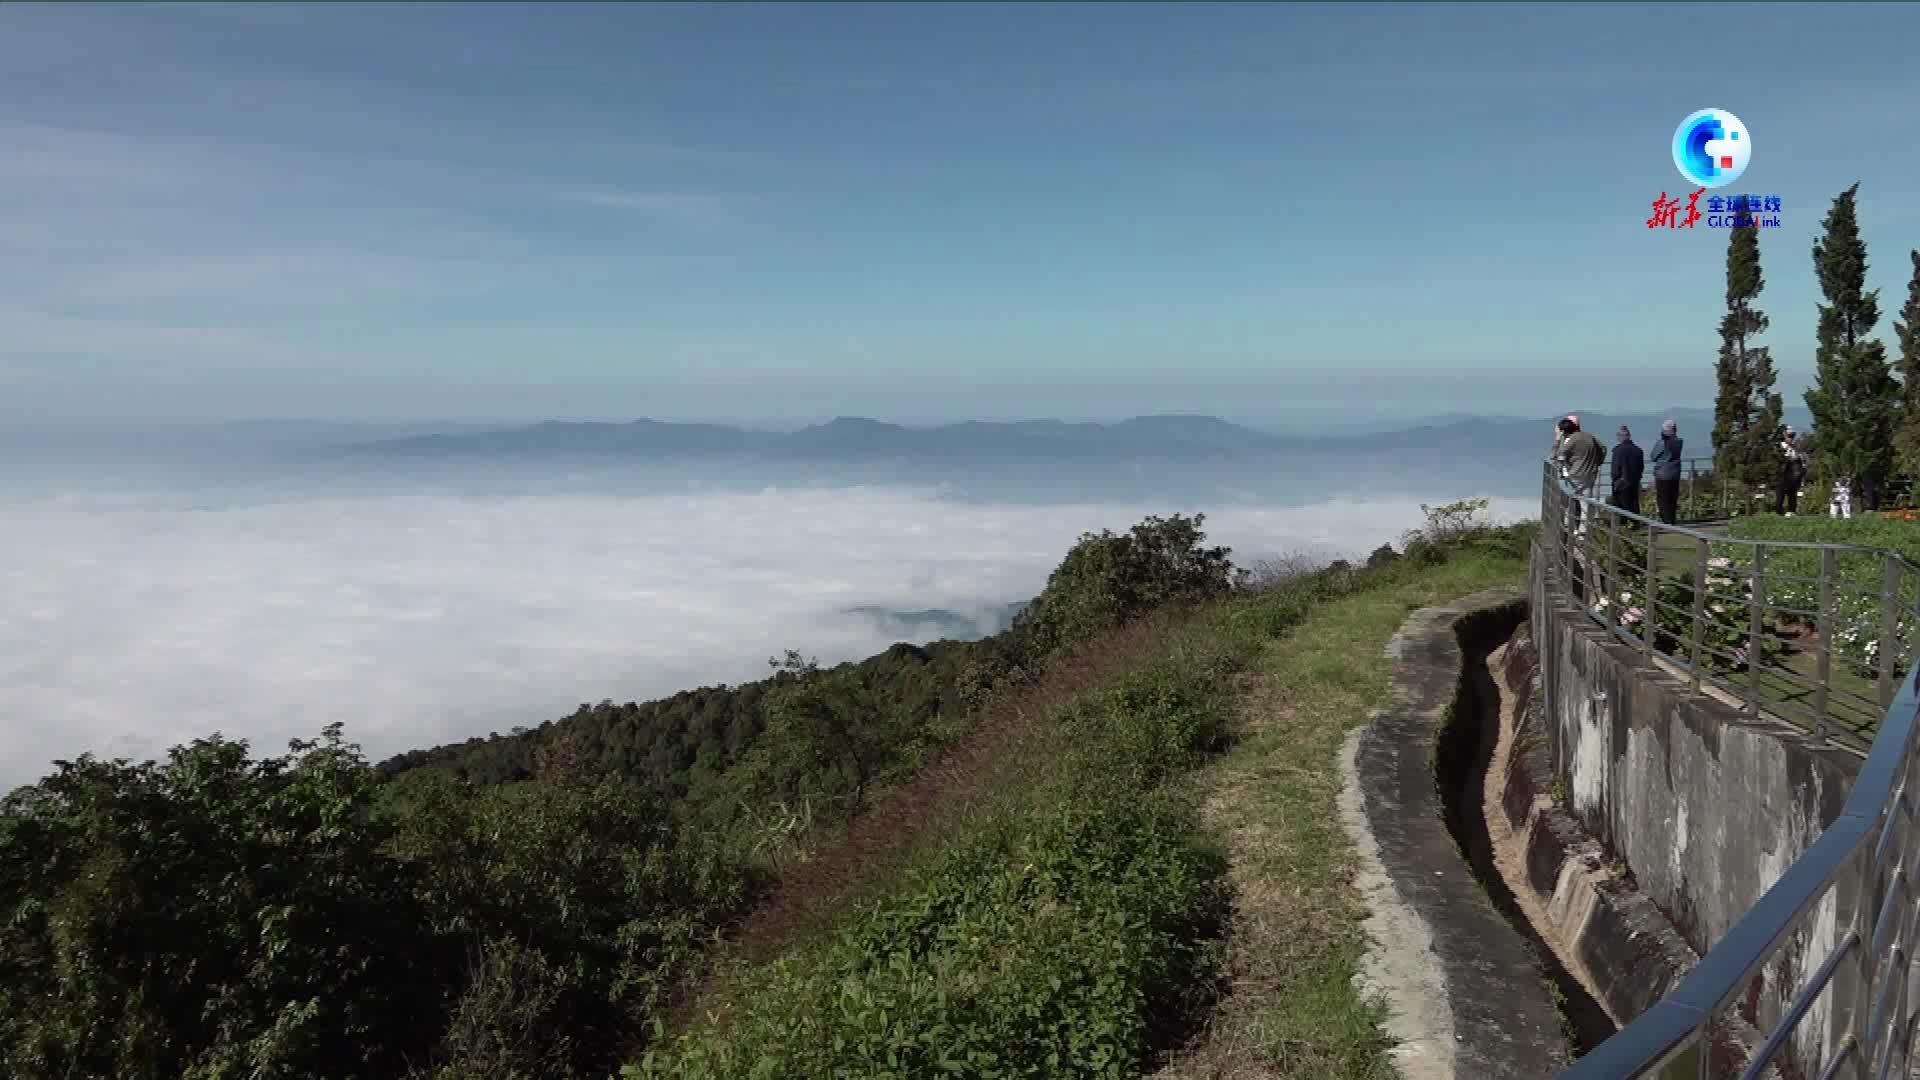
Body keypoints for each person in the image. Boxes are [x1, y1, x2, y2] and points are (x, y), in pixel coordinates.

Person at [1554, 416, 1605, 534]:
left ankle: (1569, 526)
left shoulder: (1572, 439)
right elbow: (1603, 449)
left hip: (1576, 474)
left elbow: (1561, 455)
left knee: (1569, 498)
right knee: (1585, 503)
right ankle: (1583, 531)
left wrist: (1561, 469)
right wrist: (1599, 462)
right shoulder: (1589, 436)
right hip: (1591, 474)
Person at [1650, 419, 1684, 525]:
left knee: (1663, 499)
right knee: (1672, 497)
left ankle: (1666, 521)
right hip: (1675, 473)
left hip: (1662, 474)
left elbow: (1653, 456)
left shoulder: (1662, 443)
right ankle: (1672, 519)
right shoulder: (1679, 442)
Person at [1610, 425, 1644, 517]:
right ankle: (1635, 524)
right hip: (1634, 481)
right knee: (1634, 504)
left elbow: (1615, 470)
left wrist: (1615, 479)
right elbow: (1641, 467)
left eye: (1618, 435)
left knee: (1621, 507)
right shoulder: (1638, 451)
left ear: (1621, 436)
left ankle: (1623, 525)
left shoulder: (1617, 451)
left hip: (1621, 482)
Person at [1774, 427, 1806, 514]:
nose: (1791, 437)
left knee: (1792, 493)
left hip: (1793, 469)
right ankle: (1779, 511)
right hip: (1782, 470)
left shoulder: (1796, 445)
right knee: (1780, 492)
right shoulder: (1779, 445)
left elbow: (1798, 453)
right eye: (1789, 435)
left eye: (1792, 435)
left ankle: (1791, 511)